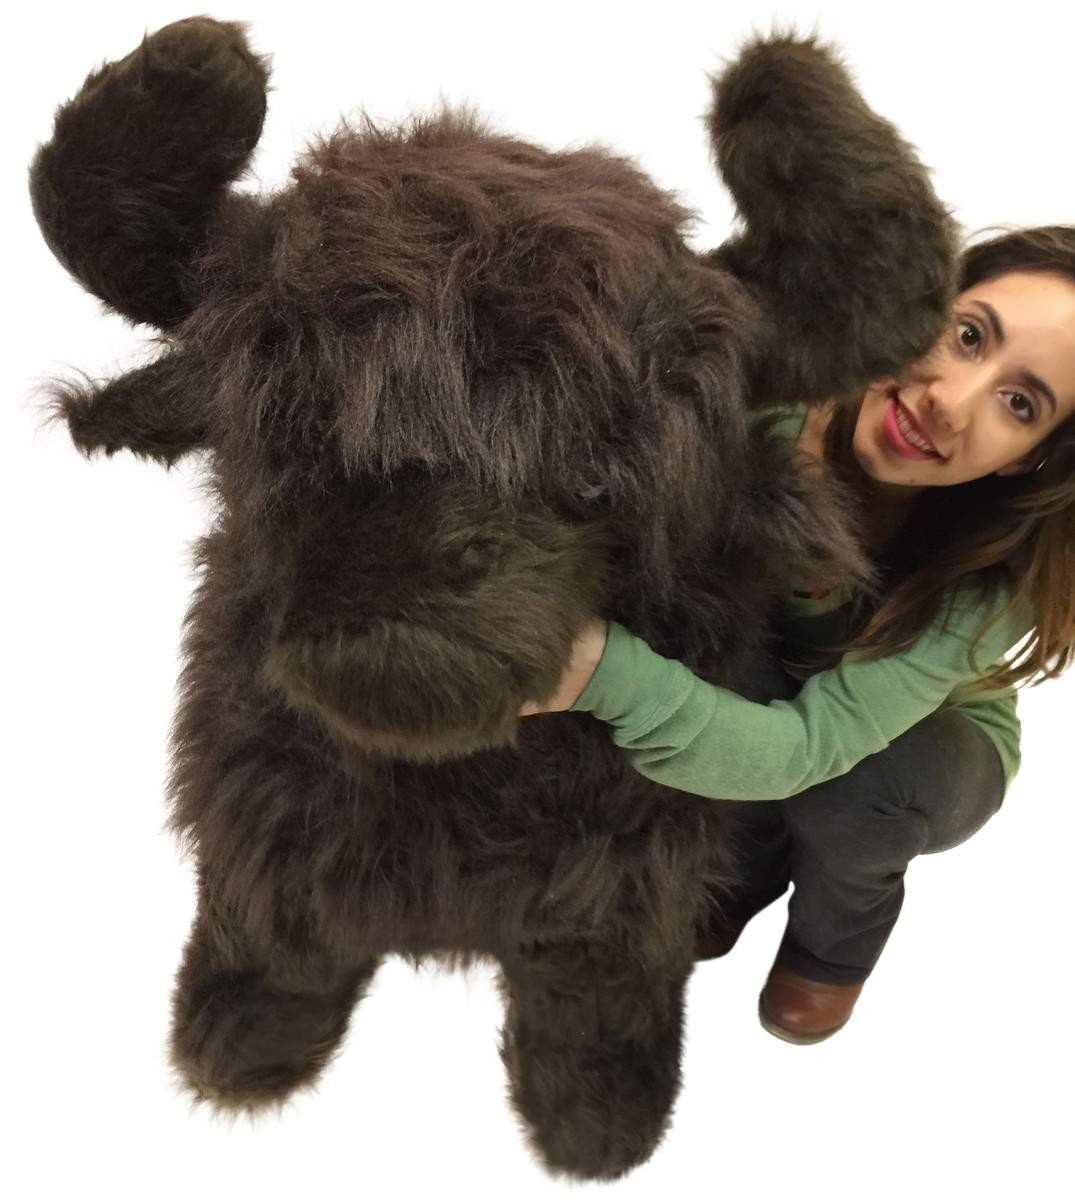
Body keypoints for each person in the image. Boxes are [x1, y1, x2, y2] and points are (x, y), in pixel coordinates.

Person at [518, 225, 1075, 1044]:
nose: (949, 401)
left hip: (925, 745)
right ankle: (739, 881)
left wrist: (606, 675)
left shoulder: (993, 581)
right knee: (721, 660)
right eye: (967, 336)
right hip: (775, 670)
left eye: (1018, 404)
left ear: (1027, 458)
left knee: (856, 786)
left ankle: (832, 947)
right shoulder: (776, 395)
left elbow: (815, 745)